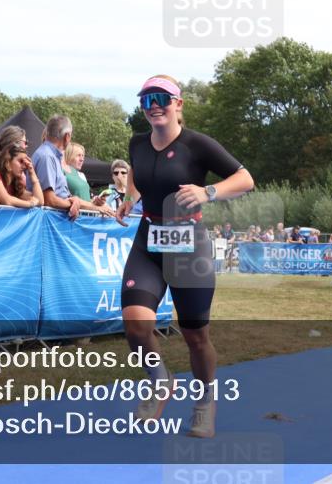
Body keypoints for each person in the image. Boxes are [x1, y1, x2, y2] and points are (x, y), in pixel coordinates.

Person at [114, 74, 254, 439]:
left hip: (189, 243)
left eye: (162, 97)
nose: (154, 104)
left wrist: (208, 191)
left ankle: (205, 401)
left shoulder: (198, 144)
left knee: (195, 336)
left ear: (179, 104)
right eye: (147, 99)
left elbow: (245, 179)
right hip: (149, 239)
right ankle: (161, 381)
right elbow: (135, 175)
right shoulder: (137, 143)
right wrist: (129, 199)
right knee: (135, 322)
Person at [33, 115, 113, 219]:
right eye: (79, 155)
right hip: (51, 221)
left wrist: (75, 200)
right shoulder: (47, 156)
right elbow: (49, 200)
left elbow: (60, 195)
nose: (82, 158)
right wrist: (79, 204)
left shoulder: (51, 156)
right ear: (67, 137)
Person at [0, 127, 43, 208]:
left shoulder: (14, 181)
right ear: (8, 160)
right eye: (24, 142)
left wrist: (33, 175)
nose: (26, 146)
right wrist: (30, 204)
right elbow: (7, 200)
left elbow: (40, 201)